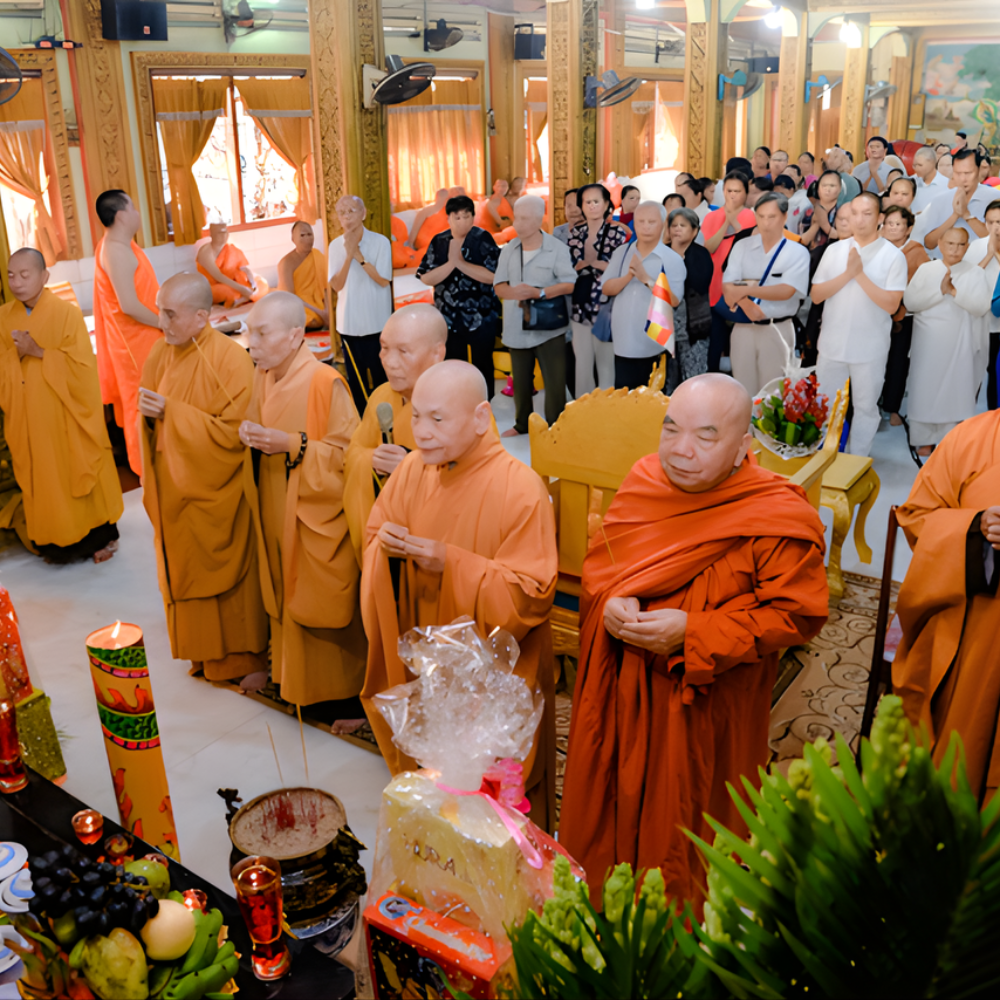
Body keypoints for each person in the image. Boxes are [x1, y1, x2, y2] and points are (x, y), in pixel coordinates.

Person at [560, 373, 828, 906]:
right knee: (618, 795)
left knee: (692, 822)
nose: (681, 451)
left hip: (710, 705)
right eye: (671, 429)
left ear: (740, 450)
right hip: (627, 690)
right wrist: (608, 600)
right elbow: (603, 563)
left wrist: (694, 632)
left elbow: (797, 615)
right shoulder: (644, 480)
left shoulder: (774, 513)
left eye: (705, 437)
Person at [359, 360, 559, 828]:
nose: (421, 432)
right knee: (432, 799)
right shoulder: (411, 469)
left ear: (480, 416)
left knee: (495, 809)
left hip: (494, 680)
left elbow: (529, 597)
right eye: (417, 415)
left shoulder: (520, 488)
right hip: (424, 657)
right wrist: (387, 552)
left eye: (438, 419)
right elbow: (374, 532)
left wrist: (451, 564)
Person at [239, 292, 366, 708]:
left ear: (296, 336)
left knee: (315, 594)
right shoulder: (264, 373)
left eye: (262, 332)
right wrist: (251, 436)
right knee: (282, 586)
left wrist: (292, 444)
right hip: (277, 501)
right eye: (249, 330)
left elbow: (349, 457)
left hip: (314, 511)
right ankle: (290, 679)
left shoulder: (324, 382)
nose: (250, 341)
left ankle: (340, 695)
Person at [138, 273, 266, 680]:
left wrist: (172, 416)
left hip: (216, 490)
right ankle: (200, 651)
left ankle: (241, 658)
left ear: (201, 316)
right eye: (160, 311)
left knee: (226, 575)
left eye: (170, 314)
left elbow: (236, 434)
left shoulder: (229, 359)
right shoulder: (161, 353)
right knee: (184, 567)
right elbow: (149, 415)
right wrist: (155, 420)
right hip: (174, 487)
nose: (162, 322)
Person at [891, 407, 1000, 801]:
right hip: (970, 637)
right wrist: (974, 528)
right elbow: (917, 516)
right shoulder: (972, 437)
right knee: (957, 761)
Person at [0, 248, 122, 563]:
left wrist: (37, 351)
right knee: (43, 480)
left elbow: (83, 368)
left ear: (45, 277)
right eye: (11, 275)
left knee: (74, 471)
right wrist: (15, 357)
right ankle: (55, 543)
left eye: (25, 275)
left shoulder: (65, 314)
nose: (16, 282)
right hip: (28, 418)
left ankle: (96, 537)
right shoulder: (4, 317)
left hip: (64, 415)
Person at [343, 304, 447, 566]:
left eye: (403, 351)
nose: (388, 361)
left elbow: (477, 480)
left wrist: (411, 465)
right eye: (384, 348)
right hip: (385, 536)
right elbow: (354, 452)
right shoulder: (380, 396)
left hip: (434, 550)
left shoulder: (461, 403)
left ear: (437, 353)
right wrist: (371, 460)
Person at [812, 192, 908, 456]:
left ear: (879, 218)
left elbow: (891, 305)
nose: (860, 219)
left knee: (865, 408)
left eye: (867, 214)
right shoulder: (835, 251)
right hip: (832, 343)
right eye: (854, 213)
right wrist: (847, 274)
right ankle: (825, 458)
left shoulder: (893, 256)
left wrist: (859, 274)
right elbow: (817, 295)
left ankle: (856, 461)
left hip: (870, 348)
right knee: (826, 405)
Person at [92, 189, 162, 477]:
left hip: (142, 340)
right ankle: (147, 470)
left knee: (152, 401)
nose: (138, 213)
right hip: (135, 345)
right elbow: (130, 304)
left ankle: (161, 465)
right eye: (133, 207)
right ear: (121, 216)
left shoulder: (121, 245)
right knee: (141, 404)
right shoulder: (116, 251)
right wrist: (166, 323)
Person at [903, 228, 991, 454]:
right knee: (924, 388)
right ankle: (924, 439)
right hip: (927, 342)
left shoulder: (975, 273)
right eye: (950, 244)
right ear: (940, 244)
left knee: (956, 390)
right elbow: (911, 302)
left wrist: (953, 292)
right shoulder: (926, 269)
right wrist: (939, 292)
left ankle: (951, 440)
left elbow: (981, 306)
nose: (955, 249)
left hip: (960, 343)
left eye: (961, 245)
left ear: (967, 247)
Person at [494, 195, 576, 437]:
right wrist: (512, 292)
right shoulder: (509, 249)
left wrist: (539, 292)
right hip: (515, 326)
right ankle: (522, 424)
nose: (518, 223)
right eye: (516, 217)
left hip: (548, 327)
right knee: (520, 380)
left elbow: (570, 284)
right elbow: (499, 285)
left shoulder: (556, 248)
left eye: (524, 218)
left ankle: (555, 427)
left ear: (539, 219)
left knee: (554, 382)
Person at [720, 193, 810, 396]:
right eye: (760, 216)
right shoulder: (742, 246)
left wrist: (747, 289)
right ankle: (746, 429)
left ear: (785, 217)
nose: (765, 222)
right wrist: (749, 306)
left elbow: (787, 290)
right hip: (743, 326)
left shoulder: (797, 251)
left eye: (772, 217)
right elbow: (728, 286)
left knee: (774, 393)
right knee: (742, 391)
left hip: (777, 327)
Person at [416, 194, 500, 398]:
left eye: (466, 216)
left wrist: (460, 263)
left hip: (481, 315)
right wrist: (451, 263)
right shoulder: (439, 241)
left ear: (473, 217)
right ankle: (456, 405)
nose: (462, 222)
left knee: (482, 365)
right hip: (448, 317)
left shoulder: (483, 238)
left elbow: (493, 277)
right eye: (457, 217)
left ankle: (484, 405)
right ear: (448, 219)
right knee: (453, 366)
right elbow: (426, 277)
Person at [600, 202, 684, 389]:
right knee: (624, 400)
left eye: (651, 222)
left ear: (663, 224)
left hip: (653, 342)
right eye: (641, 221)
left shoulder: (671, 258)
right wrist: (629, 276)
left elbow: (674, 300)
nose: (645, 226)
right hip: (623, 341)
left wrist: (646, 278)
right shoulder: (622, 253)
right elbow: (606, 287)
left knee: (652, 401)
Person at [328, 195, 393, 414]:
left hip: (377, 322)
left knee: (381, 377)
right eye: (342, 212)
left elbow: (383, 280)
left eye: (352, 211)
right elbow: (336, 285)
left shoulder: (380, 242)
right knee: (356, 381)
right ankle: (362, 422)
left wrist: (360, 257)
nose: (347, 217)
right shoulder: (336, 246)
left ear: (363, 213)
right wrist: (348, 256)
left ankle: (386, 422)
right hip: (350, 324)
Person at [568, 184, 631, 395]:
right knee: (582, 360)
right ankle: (582, 409)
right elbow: (573, 266)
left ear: (606, 205)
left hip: (606, 304)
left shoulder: (616, 231)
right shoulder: (576, 232)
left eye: (597, 201)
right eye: (587, 202)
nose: (592, 206)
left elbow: (614, 267)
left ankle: (607, 409)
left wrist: (592, 265)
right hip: (580, 301)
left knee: (606, 360)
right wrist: (596, 265)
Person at [879, 205, 930, 426]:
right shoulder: (875, 247)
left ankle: (893, 409)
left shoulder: (916, 251)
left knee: (897, 364)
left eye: (898, 224)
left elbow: (926, 284)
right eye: (889, 223)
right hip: (876, 313)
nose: (892, 228)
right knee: (874, 361)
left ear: (908, 229)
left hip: (904, 317)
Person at [664, 208, 714, 385]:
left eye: (683, 225)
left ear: (694, 231)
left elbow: (699, 284)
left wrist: (678, 257)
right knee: (667, 379)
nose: (677, 229)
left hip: (693, 327)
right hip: (665, 326)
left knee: (693, 380)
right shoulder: (661, 252)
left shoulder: (701, 254)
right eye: (674, 225)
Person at [962, 200, 1000, 409]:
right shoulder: (976, 247)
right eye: (990, 222)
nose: (995, 227)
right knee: (976, 373)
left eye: (999, 222)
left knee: (997, 375)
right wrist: (988, 255)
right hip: (982, 323)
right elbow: (967, 281)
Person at [702, 172, 757, 304]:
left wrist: (733, 220)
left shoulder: (752, 216)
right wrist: (727, 221)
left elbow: (748, 246)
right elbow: (708, 248)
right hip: (712, 278)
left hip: (738, 281)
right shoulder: (711, 216)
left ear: (745, 193)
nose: (732, 195)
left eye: (737, 191)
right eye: (729, 191)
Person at [923, 149, 993, 253]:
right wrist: (955, 215)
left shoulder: (994, 198)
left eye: (968, 173)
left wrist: (966, 215)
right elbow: (929, 244)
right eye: (958, 173)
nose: (963, 179)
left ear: (978, 170)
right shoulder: (939, 200)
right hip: (945, 263)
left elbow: (996, 241)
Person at [196, 223, 263, 307]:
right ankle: (242, 298)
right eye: (219, 233)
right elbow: (218, 276)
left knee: (261, 283)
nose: (223, 236)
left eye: (225, 232)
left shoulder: (231, 249)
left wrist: (252, 283)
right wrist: (242, 289)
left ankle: (243, 298)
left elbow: (244, 269)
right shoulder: (206, 251)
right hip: (212, 286)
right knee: (232, 293)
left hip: (232, 282)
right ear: (211, 234)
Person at [276, 221, 328, 329]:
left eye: (309, 235)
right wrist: (320, 313)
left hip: (319, 302)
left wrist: (326, 311)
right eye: (302, 235)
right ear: (293, 239)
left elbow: (326, 288)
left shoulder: (318, 256)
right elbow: (289, 297)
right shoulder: (286, 262)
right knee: (310, 320)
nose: (307, 239)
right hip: (299, 304)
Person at [799, 170, 842, 248]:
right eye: (824, 185)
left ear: (840, 188)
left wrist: (826, 226)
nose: (827, 189)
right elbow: (804, 241)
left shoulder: (843, 212)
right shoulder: (809, 212)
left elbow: (844, 237)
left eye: (832, 185)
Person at [911, 146, 951, 214]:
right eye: (914, 165)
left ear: (932, 163)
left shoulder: (947, 185)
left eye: (920, 165)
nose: (916, 169)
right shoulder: (910, 182)